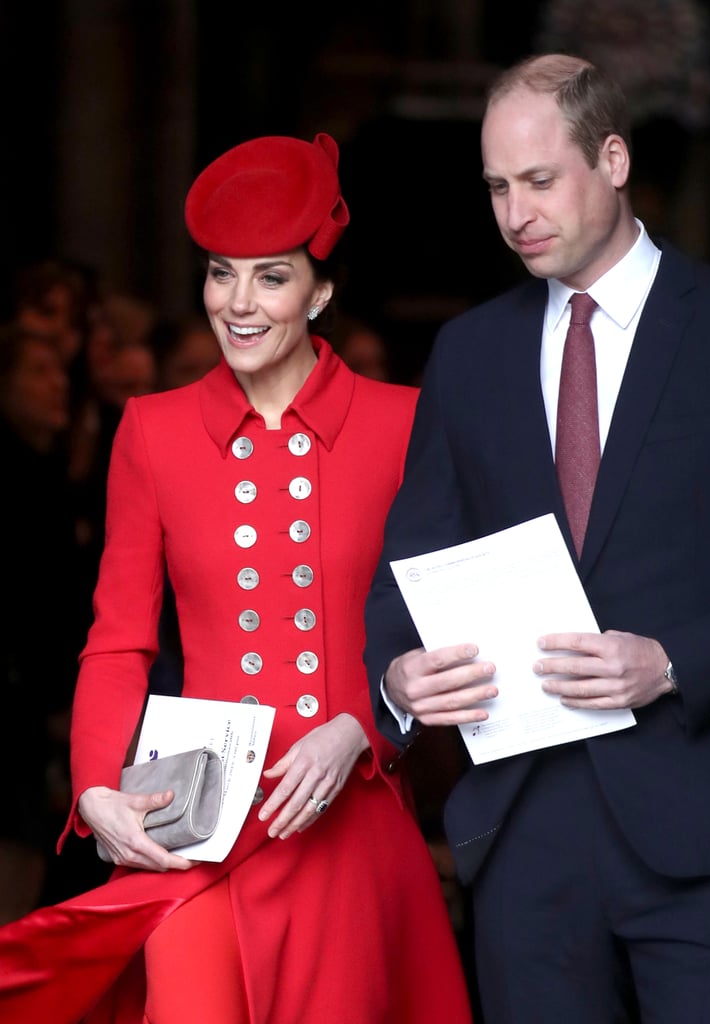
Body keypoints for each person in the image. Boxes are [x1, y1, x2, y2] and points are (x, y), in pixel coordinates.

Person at [363, 54, 710, 1024]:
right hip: (526, 837)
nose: (516, 212)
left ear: (612, 157)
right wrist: (397, 679)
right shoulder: (470, 352)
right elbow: (409, 565)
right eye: (497, 187)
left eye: (539, 180)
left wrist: (675, 660)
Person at [0, 133, 472, 1024]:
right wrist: (98, 787)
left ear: (321, 290)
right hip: (195, 829)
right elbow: (119, 638)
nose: (239, 304)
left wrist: (366, 729)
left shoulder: (404, 426)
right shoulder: (152, 431)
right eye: (222, 274)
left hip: (349, 820)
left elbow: (444, 625)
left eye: (271, 276)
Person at [0, 327, 82, 924]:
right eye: (37, 372)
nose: (57, 384)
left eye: (59, 370)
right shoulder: (17, 480)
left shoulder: (50, 473)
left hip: (35, 713)